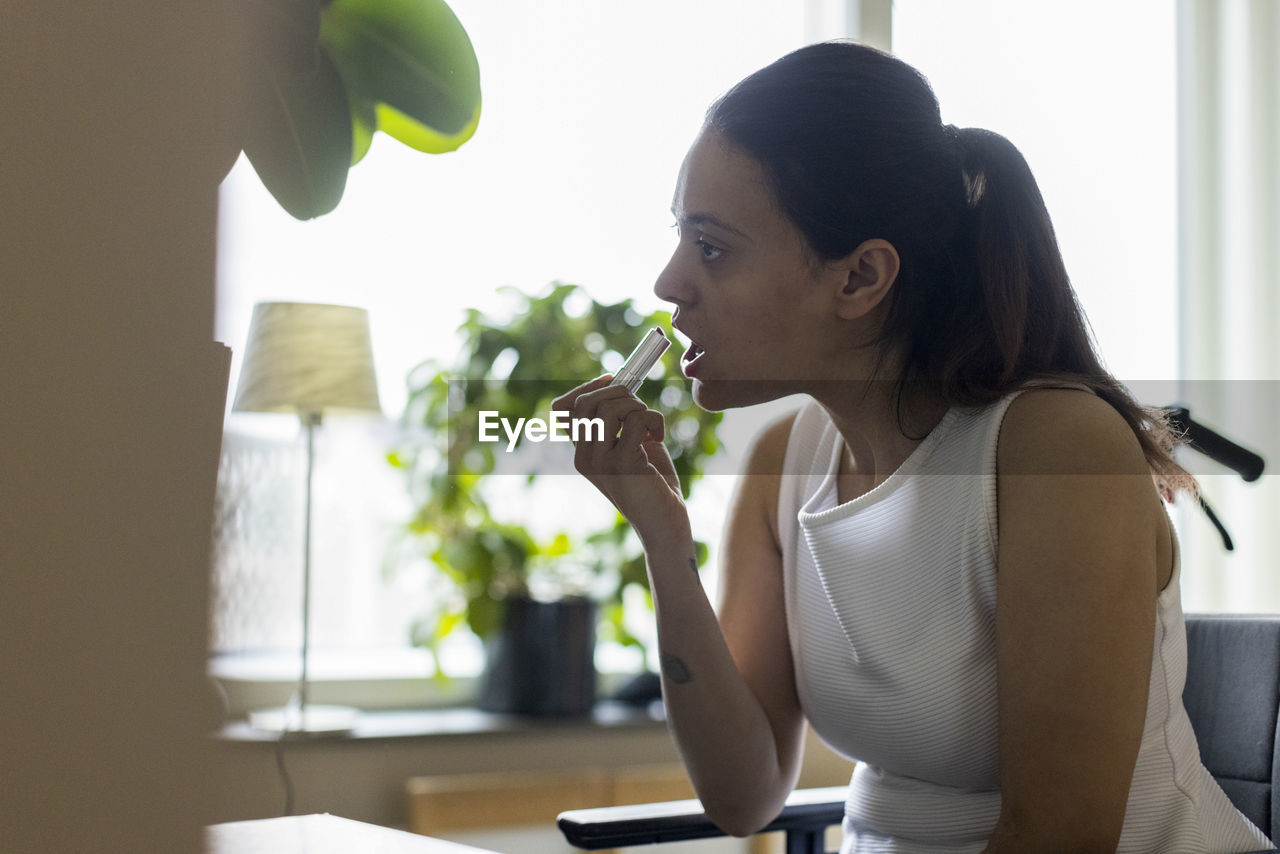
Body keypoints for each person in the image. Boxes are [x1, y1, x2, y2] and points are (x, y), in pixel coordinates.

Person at [553, 41, 1271, 853]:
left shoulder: (1056, 448)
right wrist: (661, 538)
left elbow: (1059, 837)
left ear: (861, 278)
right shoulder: (781, 464)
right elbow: (741, 797)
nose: (669, 283)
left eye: (712, 247)